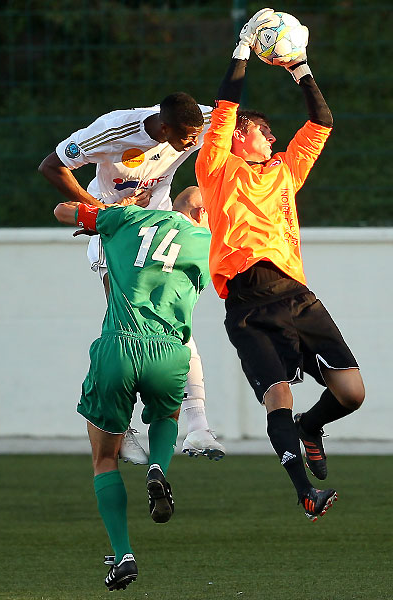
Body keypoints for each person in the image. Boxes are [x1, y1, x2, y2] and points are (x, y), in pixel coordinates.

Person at [195, 8, 365, 521]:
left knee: (352, 392)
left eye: (271, 133)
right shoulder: (217, 168)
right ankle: (304, 493)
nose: (271, 138)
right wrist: (243, 49)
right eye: (263, 131)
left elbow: (322, 122)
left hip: (296, 295)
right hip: (247, 302)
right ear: (240, 136)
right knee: (278, 397)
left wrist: (300, 68)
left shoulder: (286, 171)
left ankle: (314, 427)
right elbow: (226, 105)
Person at [39, 92, 225, 461]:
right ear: (164, 127)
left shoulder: (200, 121)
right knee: (126, 328)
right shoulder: (113, 130)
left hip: (159, 226)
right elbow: (50, 166)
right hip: (117, 232)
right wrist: (105, 212)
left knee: (173, 324)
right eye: (187, 136)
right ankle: (121, 427)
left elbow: (233, 116)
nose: (193, 143)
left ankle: (199, 427)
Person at [53, 186, 211, 591]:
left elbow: (62, 211)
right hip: (168, 351)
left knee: (105, 458)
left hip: (119, 345)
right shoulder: (205, 241)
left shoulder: (125, 219)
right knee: (167, 414)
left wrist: (111, 211)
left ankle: (123, 555)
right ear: (200, 213)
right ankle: (159, 465)